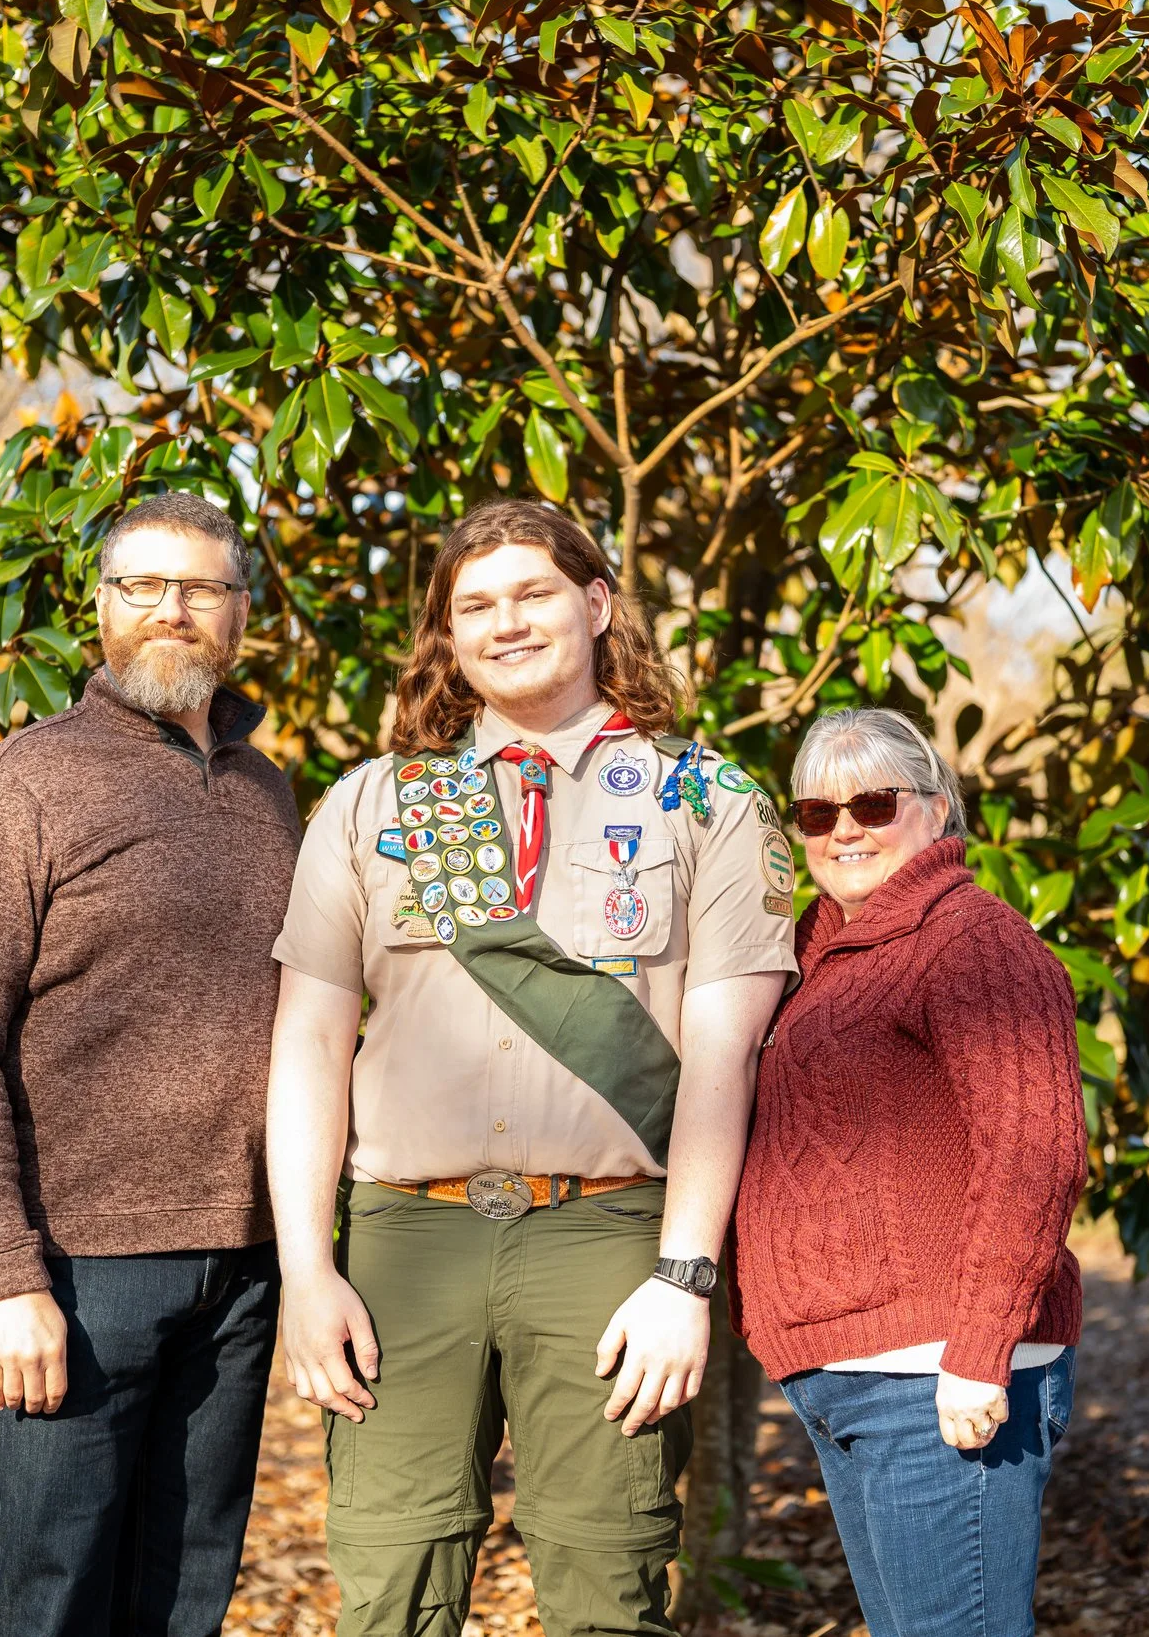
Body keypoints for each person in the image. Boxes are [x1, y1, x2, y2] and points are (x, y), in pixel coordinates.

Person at [266, 497, 797, 1637]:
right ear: (448, 636)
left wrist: (686, 1276)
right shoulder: (377, 804)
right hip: (404, 1238)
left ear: (596, 603)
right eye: (475, 604)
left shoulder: (708, 800)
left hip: (608, 1240)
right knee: (389, 1582)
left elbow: (723, 1058)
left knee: (608, 1585)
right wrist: (307, 1269)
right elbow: (307, 1043)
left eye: (532, 592)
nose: (505, 622)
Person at [0, 491, 299, 1635]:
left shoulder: (266, 790)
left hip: (243, 1261)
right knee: (55, 1596)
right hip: (78, 1274)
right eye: (142, 585)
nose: (170, 610)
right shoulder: (26, 784)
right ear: (102, 607)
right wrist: (7, 1271)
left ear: (238, 614)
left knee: (184, 1592)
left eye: (201, 589)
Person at [732, 706, 1088, 1637]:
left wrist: (979, 1353)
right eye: (817, 812)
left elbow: (1036, 1152)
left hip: (944, 1374)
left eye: (874, 802)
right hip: (846, 1377)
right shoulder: (818, 956)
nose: (845, 827)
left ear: (936, 810)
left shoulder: (972, 940)